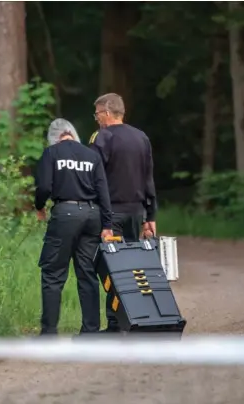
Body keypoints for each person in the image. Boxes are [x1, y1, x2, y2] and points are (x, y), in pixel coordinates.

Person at [35, 118, 113, 336]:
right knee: (87, 274)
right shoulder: (91, 155)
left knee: (53, 273)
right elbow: (103, 192)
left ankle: (49, 333)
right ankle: (90, 332)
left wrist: (39, 206)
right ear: (73, 133)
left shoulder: (51, 154)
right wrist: (107, 224)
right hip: (92, 216)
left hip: (65, 214)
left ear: (54, 137)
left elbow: (43, 187)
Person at [88, 92, 157, 333]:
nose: (96, 119)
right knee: (133, 267)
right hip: (136, 212)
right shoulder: (142, 138)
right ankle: (138, 317)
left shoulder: (102, 138)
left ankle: (115, 323)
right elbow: (149, 179)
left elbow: (94, 178)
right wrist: (151, 217)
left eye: (97, 114)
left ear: (107, 113)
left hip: (111, 214)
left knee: (112, 268)